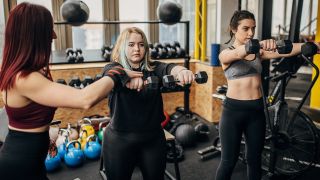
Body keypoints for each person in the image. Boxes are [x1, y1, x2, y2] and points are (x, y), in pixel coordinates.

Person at [0, 3, 141, 180]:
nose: (54, 35)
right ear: (33, 35)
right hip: (20, 167)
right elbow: (85, 99)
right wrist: (117, 72)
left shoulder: (24, 72)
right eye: (48, 29)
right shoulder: (25, 78)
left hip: (31, 158)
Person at [216, 10, 305, 180]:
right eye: (245, 28)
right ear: (234, 29)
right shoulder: (225, 54)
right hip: (233, 112)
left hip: (257, 112)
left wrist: (313, 46)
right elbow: (238, 53)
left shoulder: (259, 53)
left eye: (253, 28)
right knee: (229, 161)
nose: (250, 33)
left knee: (254, 160)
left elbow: (286, 50)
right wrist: (260, 43)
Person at [102, 27, 195, 180]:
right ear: (121, 47)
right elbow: (110, 72)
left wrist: (181, 71)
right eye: (131, 44)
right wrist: (127, 78)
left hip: (152, 139)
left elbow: (169, 68)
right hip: (119, 140)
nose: (137, 49)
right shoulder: (113, 69)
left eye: (141, 44)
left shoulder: (155, 68)